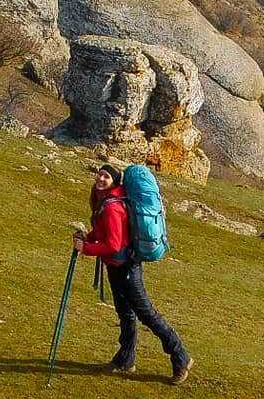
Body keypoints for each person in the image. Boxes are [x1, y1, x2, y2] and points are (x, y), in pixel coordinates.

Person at [73, 163, 194, 384]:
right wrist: (88, 238)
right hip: (117, 266)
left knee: (146, 314)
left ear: (114, 182)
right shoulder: (106, 202)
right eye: (100, 174)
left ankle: (180, 356)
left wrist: (86, 249)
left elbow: (113, 244)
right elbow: (103, 232)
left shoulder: (112, 207)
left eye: (106, 176)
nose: (100, 179)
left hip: (126, 268)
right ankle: (125, 359)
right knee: (125, 313)